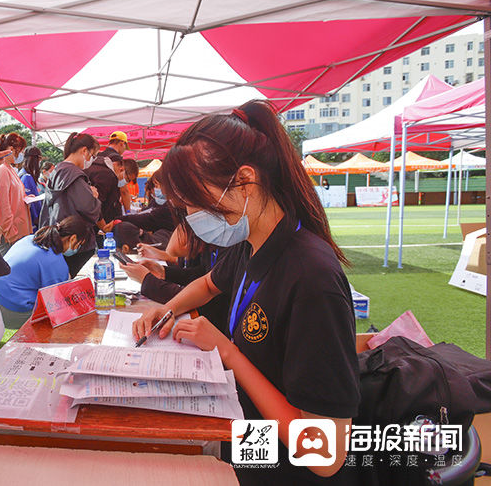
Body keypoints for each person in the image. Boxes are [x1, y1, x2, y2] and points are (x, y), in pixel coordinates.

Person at [132, 101, 359, 485]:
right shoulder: (250, 238)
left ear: (245, 181)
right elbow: (208, 284)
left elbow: (325, 454)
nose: (191, 218)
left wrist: (228, 352)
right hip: (242, 439)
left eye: (197, 203)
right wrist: (167, 309)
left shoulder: (311, 278)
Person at [0, 215, 90, 329]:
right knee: (56, 316)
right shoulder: (55, 263)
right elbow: (55, 307)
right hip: (11, 309)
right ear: (73, 238)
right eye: (79, 244)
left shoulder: (30, 239)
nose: (77, 248)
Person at [39, 132, 102, 277]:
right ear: (84, 151)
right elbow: (90, 209)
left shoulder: (56, 171)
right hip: (76, 242)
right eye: (93, 155)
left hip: (58, 239)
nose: (91, 160)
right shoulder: (75, 175)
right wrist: (94, 196)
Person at [0, 132, 31, 255]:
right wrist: (10, 232)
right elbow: (0, 205)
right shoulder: (1, 170)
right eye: (20, 151)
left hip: (11, 232)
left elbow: (11, 196)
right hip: (6, 236)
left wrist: (26, 199)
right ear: (11, 149)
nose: (21, 155)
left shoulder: (8, 168)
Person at [18, 145, 43, 232]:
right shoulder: (26, 177)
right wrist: (37, 219)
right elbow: (30, 203)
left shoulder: (25, 174)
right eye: (39, 159)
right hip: (32, 222)